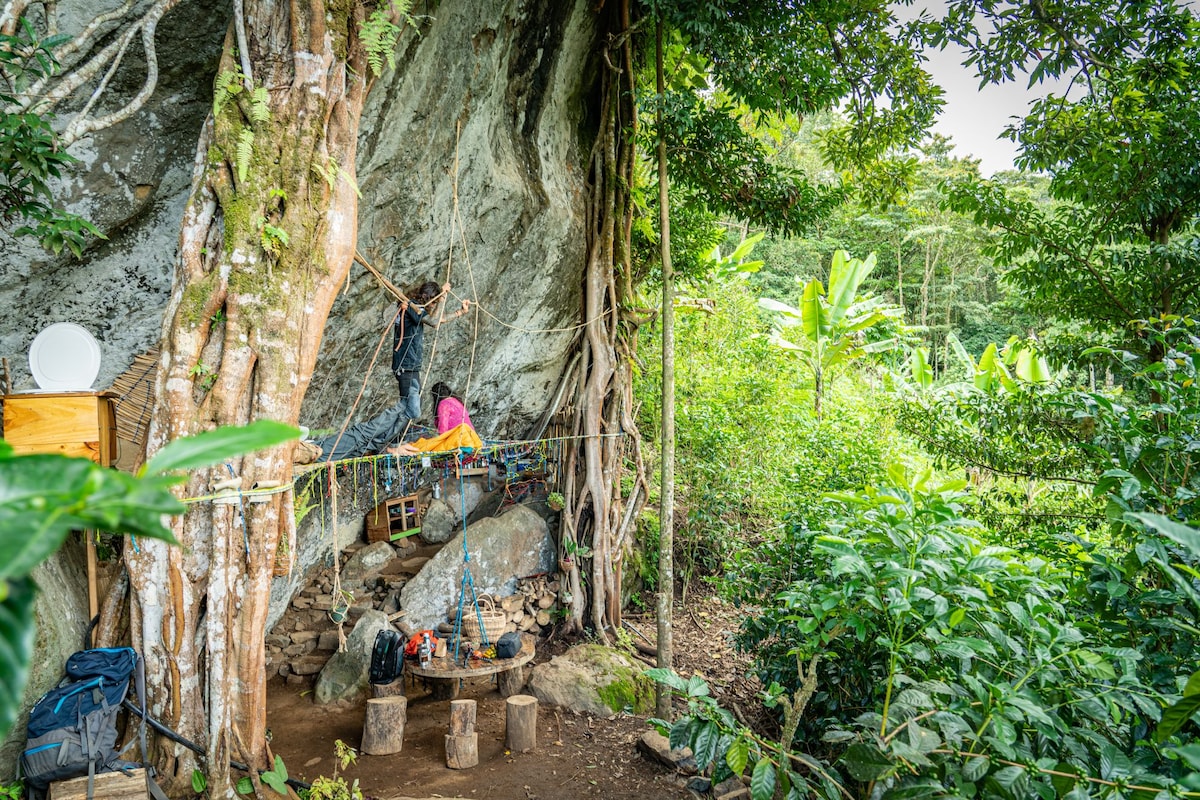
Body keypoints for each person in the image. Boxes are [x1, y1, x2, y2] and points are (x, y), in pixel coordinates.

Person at [393, 281, 470, 421]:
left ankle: (394, 437)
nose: (434, 306)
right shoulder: (412, 306)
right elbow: (434, 322)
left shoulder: (417, 309)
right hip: (405, 364)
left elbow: (439, 319)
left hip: (411, 366)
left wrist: (460, 312)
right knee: (411, 408)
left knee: (414, 405)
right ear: (426, 296)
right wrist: (442, 298)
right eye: (433, 302)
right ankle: (386, 438)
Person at [387, 382, 480, 457]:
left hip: (457, 437)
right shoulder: (458, 401)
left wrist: (439, 439)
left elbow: (443, 428)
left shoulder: (443, 404)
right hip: (471, 436)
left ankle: (394, 449)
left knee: (424, 445)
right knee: (426, 442)